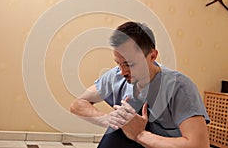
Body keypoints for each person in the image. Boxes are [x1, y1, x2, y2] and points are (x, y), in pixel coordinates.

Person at [70, 21, 210, 148]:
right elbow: (78, 104)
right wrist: (108, 119)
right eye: (118, 63)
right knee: (122, 119)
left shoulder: (179, 87)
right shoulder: (116, 76)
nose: (123, 71)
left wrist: (140, 134)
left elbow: (199, 145)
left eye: (130, 64)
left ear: (152, 56)